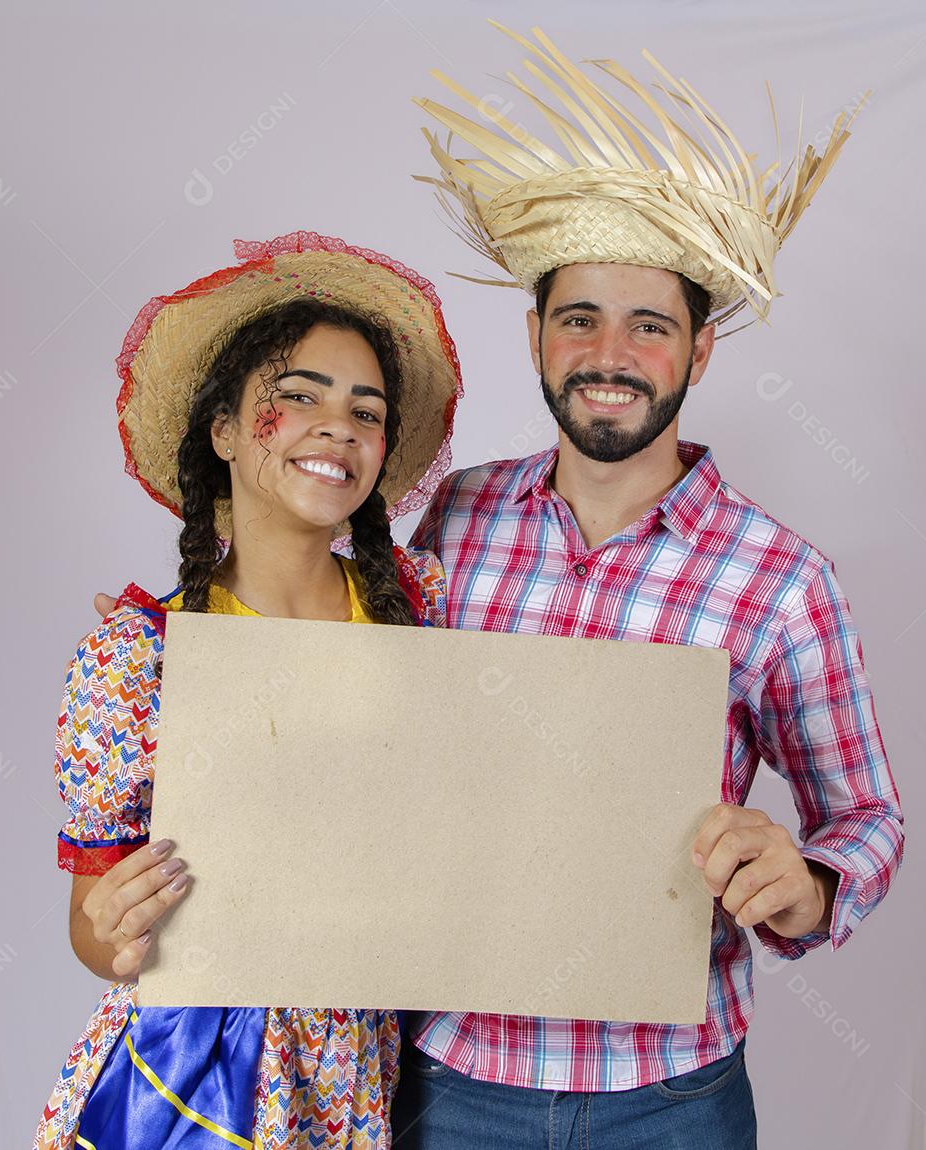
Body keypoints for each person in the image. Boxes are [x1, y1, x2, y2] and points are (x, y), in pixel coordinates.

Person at [380, 24, 903, 1149]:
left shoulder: (780, 578)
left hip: (671, 1100)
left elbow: (866, 818)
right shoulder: (455, 517)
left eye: (651, 325)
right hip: (449, 1081)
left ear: (700, 353)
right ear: (534, 334)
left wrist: (804, 886)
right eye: (579, 317)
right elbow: (359, 702)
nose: (608, 351)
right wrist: (190, 622)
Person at [33, 230, 463, 1150]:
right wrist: (116, 933)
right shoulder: (139, 658)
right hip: (191, 1073)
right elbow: (92, 927)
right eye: (296, 397)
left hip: (363, 1069)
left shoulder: (420, 612)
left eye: (366, 410)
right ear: (223, 430)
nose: (338, 426)